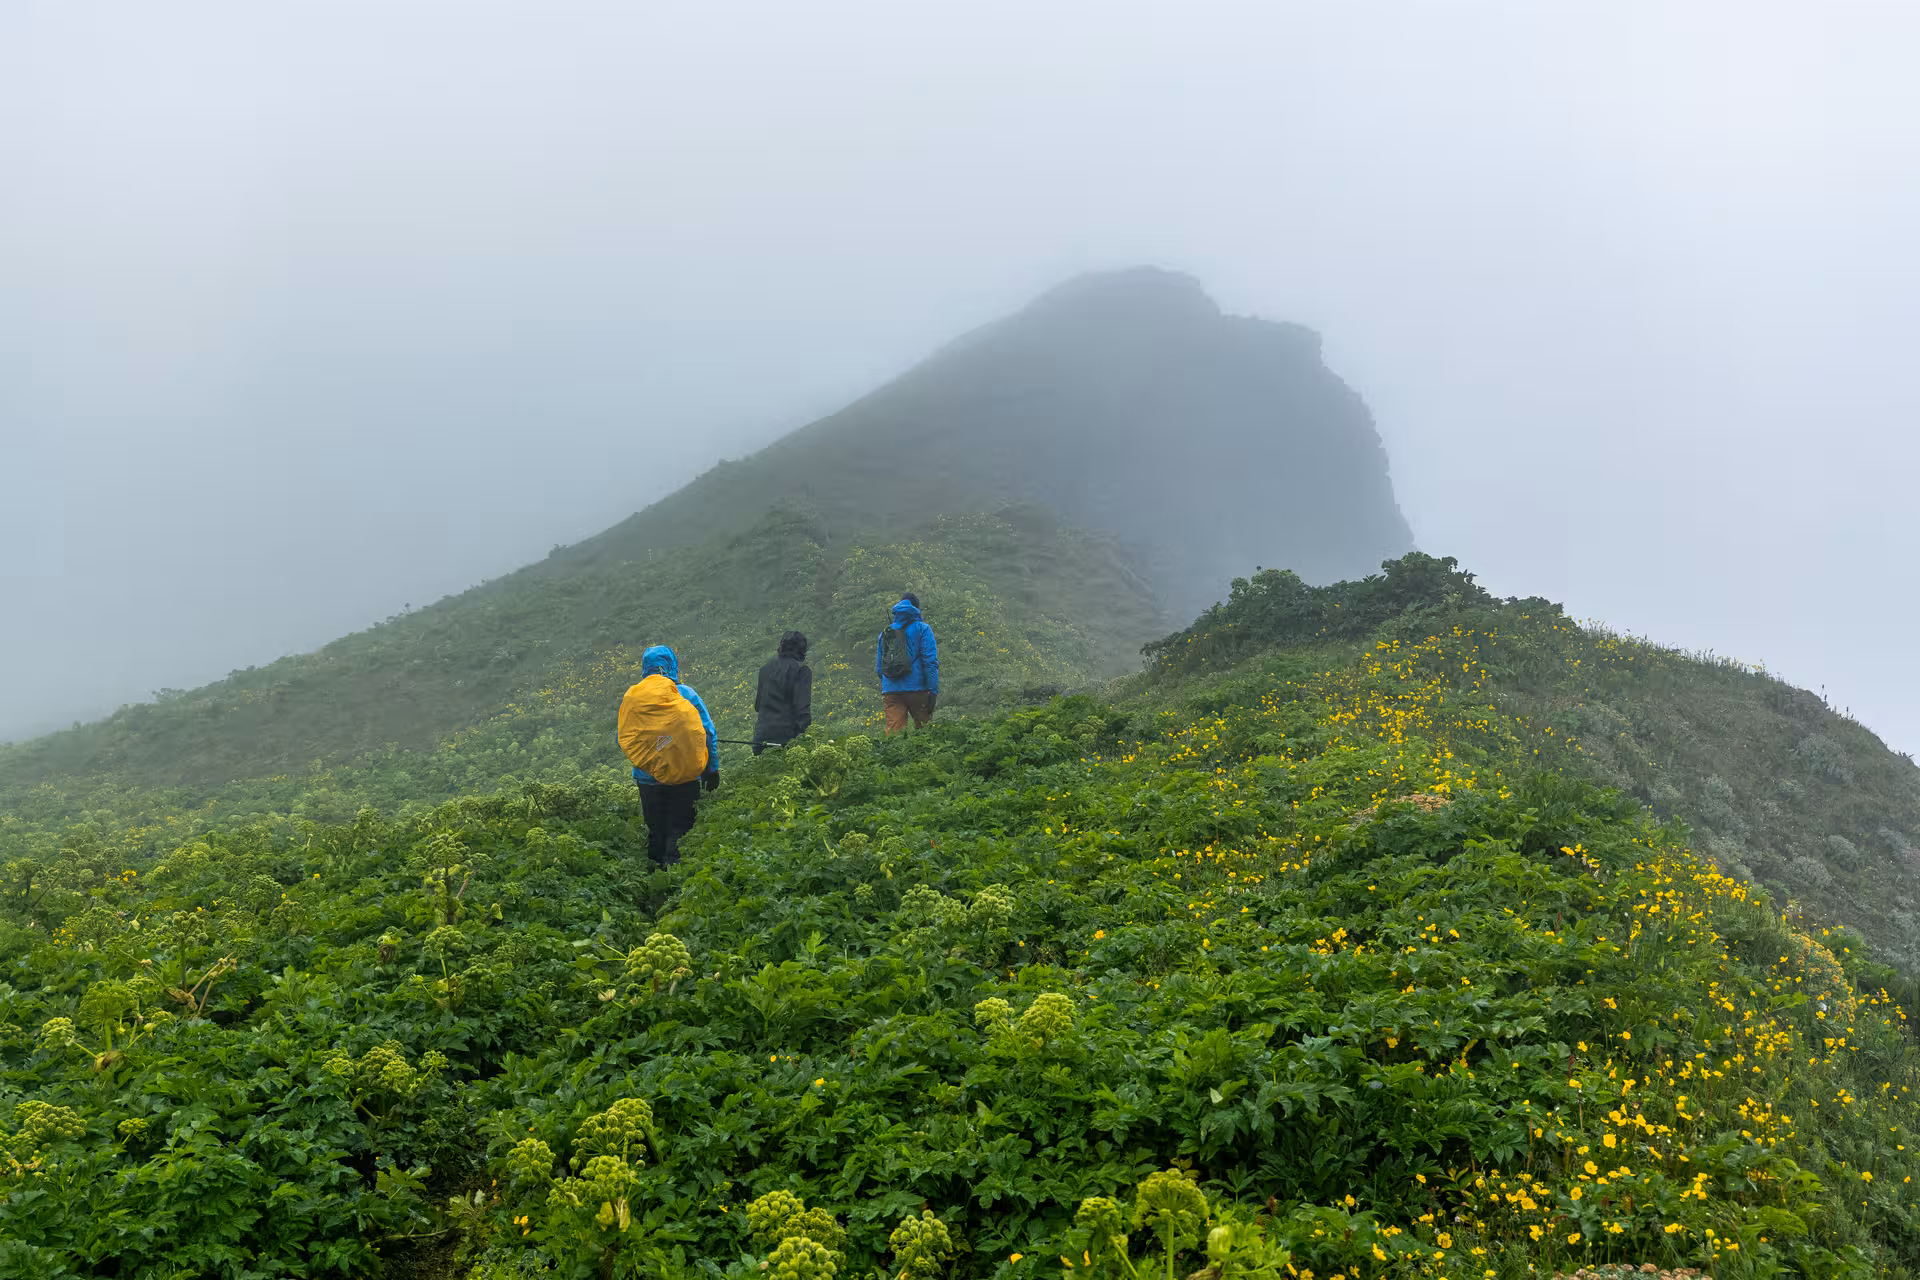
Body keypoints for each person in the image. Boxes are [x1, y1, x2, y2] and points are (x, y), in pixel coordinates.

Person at [616, 644, 718, 867]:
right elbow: (707, 733)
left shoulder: (634, 699)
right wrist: (712, 769)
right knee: (681, 829)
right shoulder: (686, 694)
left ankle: (653, 883)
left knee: (656, 830)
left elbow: (626, 738)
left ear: (645, 668)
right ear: (672, 666)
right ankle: (677, 884)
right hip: (686, 777)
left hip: (647, 779)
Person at [875, 593, 939, 734]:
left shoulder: (886, 632)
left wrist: (892, 682)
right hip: (918, 690)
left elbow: (879, 669)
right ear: (917, 608)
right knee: (924, 734)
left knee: (894, 736)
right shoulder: (923, 629)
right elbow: (930, 662)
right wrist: (932, 690)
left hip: (891, 690)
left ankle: (893, 756)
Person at [752, 630, 813, 753]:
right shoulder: (802, 671)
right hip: (787, 740)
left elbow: (758, 706)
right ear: (802, 650)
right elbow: (802, 710)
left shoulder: (765, 669)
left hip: (761, 738)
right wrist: (808, 738)